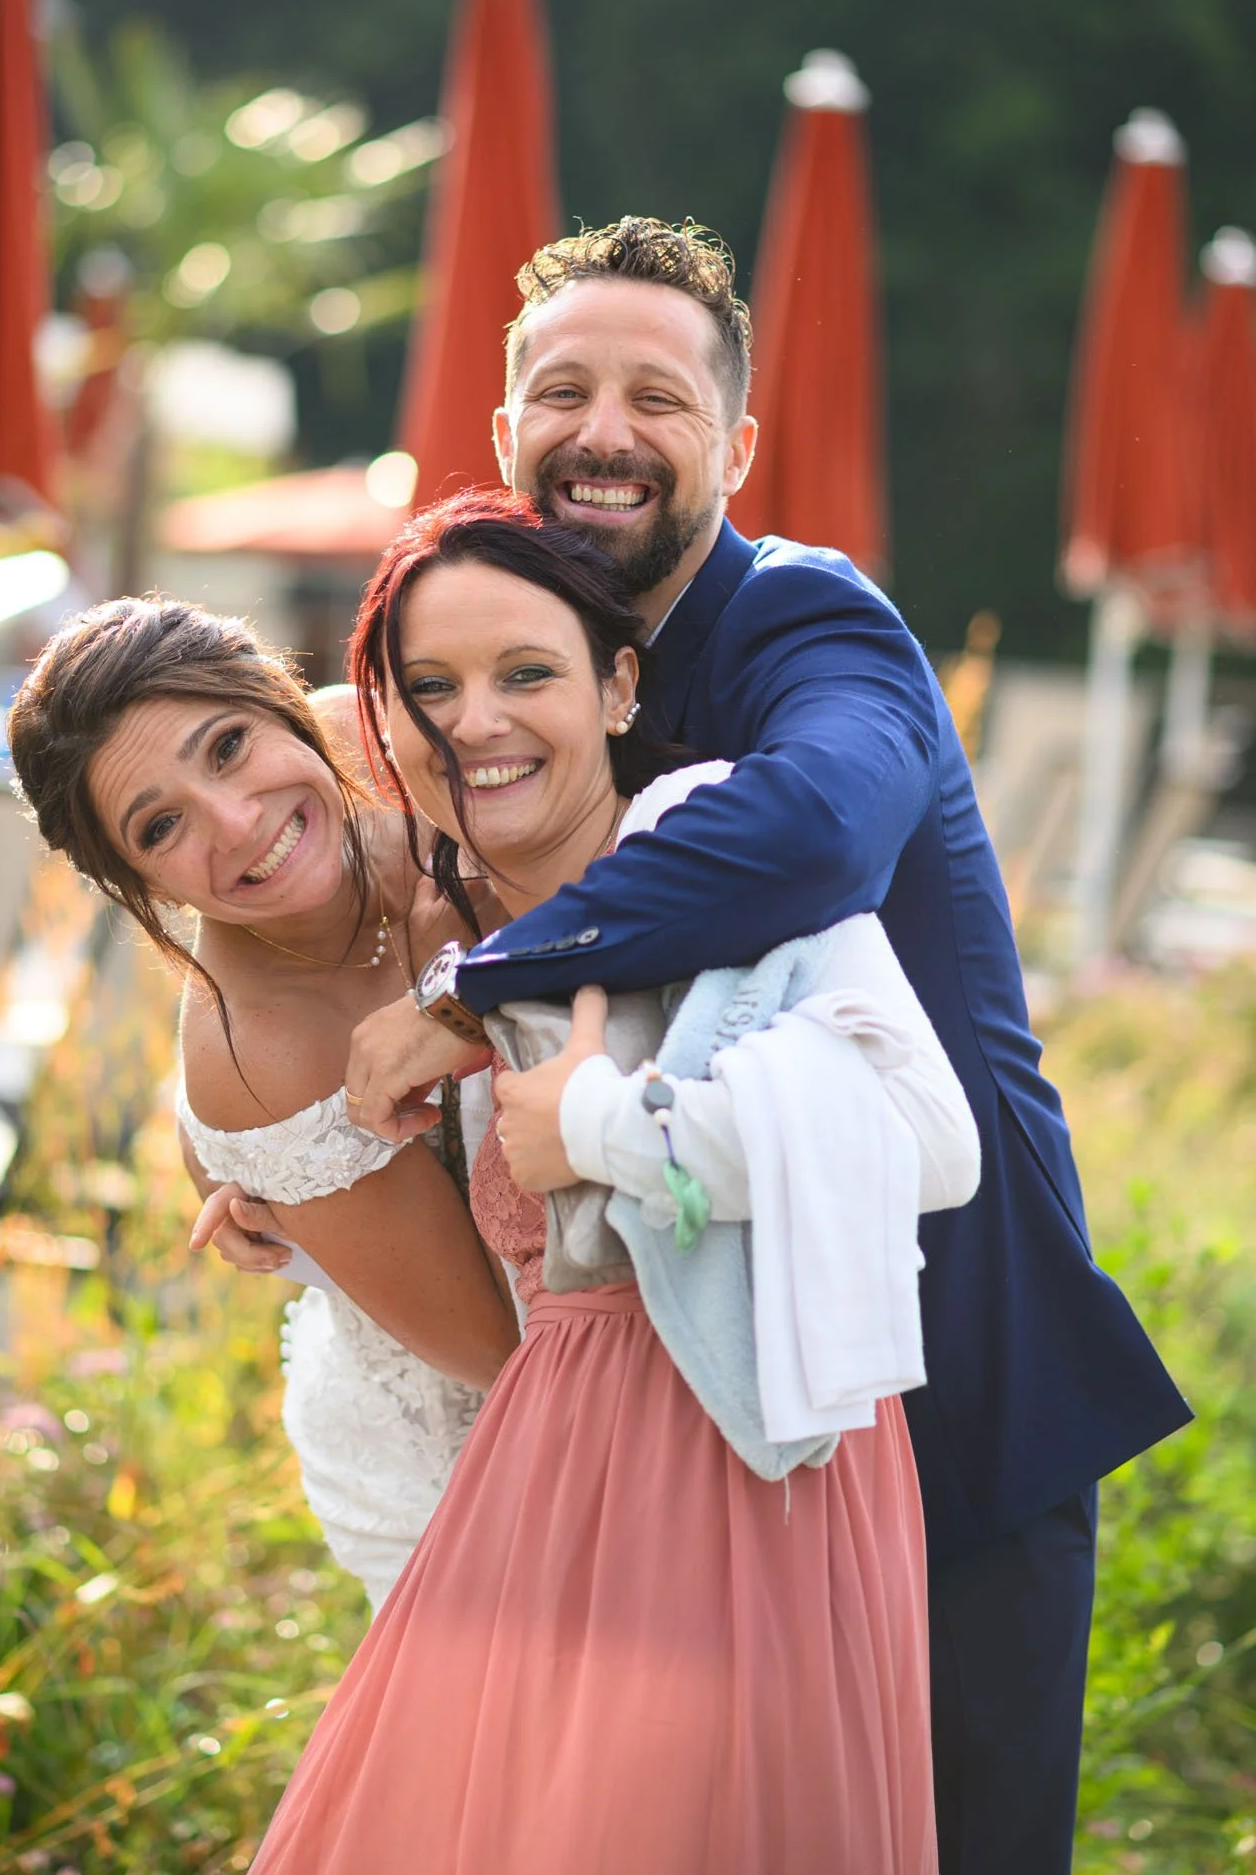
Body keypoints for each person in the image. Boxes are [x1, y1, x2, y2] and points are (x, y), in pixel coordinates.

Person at [342, 218, 1192, 1875]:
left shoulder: (809, 623)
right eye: (560, 389)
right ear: (504, 435)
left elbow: (811, 835)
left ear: (730, 447)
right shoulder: (519, 687)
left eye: (653, 397)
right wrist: (290, 1136)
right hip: (681, 1458)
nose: (600, 430)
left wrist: (463, 995)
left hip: (938, 1381)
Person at [250, 490, 981, 1875]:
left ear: (619, 681)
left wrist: (615, 1130)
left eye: (526, 672)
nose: (478, 720)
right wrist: (280, 1205)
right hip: (549, 1468)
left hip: (750, 1458)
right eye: (432, 687)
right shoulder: (440, 922)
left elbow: (931, 1141)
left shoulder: (721, 840)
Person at [6, 598, 519, 1608]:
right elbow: (499, 1350)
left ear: (282, 702)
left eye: (230, 744)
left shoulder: (367, 734)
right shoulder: (264, 1051)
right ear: (137, 881)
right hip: (473, 1449)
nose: (237, 820)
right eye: (162, 825)